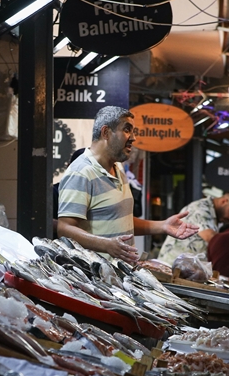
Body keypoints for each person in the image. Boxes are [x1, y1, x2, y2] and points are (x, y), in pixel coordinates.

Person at [56, 106, 197, 261]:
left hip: (122, 272)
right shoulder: (80, 172)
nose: (133, 138)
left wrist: (163, 226)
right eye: (127, 130)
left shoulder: (118, 167)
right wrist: (106, 245)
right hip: (96, 273)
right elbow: (65, 228)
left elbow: (121, 220)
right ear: (106, 132)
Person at [156, 190, 229, 265]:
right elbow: (211, 237)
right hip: (171, 266)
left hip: (184, 269)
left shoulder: (217, 217)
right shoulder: (200, 209)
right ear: (224, 201)